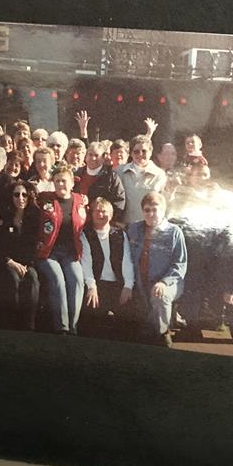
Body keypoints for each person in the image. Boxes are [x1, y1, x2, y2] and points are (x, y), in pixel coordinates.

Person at [128, 192, 187, 347]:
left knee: (160, 296)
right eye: (147, 210)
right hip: (140, 281)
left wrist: (164, 282)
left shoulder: (174, 232)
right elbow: (127, 257)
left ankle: (163, 332)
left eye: (155, 209)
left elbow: (180, 264)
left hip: (169, 282)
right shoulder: (134, 229)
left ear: (163, 210)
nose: (151, 214)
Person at [36, 164, 87, 335]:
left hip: (70, 253)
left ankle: (73, 327)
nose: (60, 184)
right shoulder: (45, 198)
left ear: (72, 183)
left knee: (77, 280)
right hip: (48, 253)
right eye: (57, 181)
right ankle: (62, 327)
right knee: (58, 280)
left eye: (64, 181)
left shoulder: (80, 200)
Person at [0, 180, 40, 330]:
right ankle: (11, 324)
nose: (20, 198)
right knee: (13, 278)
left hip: (26, 262)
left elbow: (33, 245)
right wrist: (9, 261)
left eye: (24, 195)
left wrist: (26, 264)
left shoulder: (34, 218)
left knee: (33, 279)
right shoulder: (2, 217)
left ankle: (29, 326)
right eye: (16, 195)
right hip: (6, 262)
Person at [80, 198, 134, 334]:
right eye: (97, 211)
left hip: (118, 284)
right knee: (91, 325)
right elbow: (86, 262)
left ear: (110, 215)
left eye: (104, 211)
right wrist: (91, 286)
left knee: (128, 325)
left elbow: (127, 261)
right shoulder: (85, 234)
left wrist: (128, 286)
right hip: (98, 285)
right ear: (92, 214)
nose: (100, 214)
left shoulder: (120, 234)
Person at [116, 135, 167, 225]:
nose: (140, 154)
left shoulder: (160, 174)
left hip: (150, 226)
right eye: (136, 152)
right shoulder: (120, 172)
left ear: (150, 152)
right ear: (131, 153)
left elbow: (164, 203)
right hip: (126, 226)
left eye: (144, 151)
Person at [74, 141, 126, 223]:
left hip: (101, 222)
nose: (93, 158)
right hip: (78, 220)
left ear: (103, 158)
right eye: (90, 154)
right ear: (86, 156)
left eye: (96, 155)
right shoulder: (77, 174)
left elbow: (119, 201)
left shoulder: (111, 177)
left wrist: (110, 221)